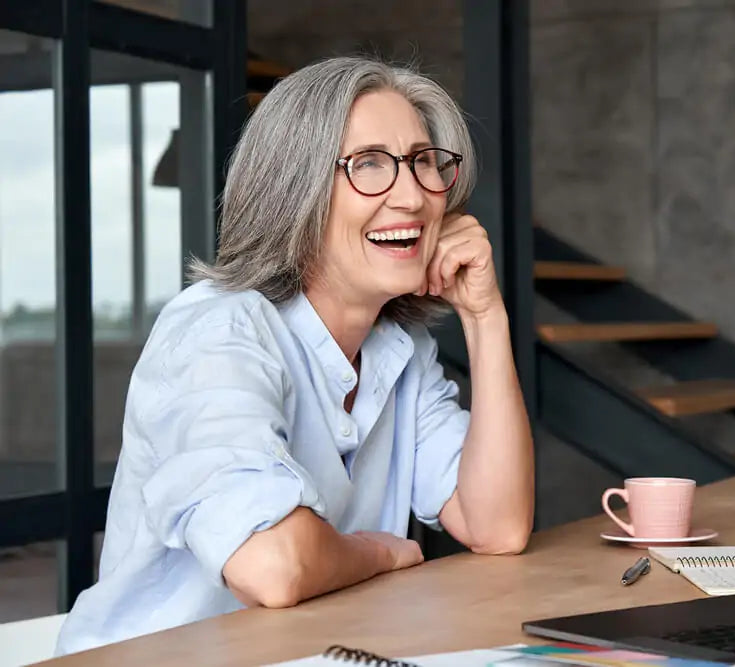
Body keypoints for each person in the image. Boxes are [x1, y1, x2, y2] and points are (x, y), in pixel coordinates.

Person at [55, 56, 534, 655]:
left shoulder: (399, 350)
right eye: (369, 166)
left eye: (422, 163)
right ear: (294, 192)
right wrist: (380, 553)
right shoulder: (218, 330)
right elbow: (272, 564)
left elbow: (497, 525)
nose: (413, 195)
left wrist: (486, 317)